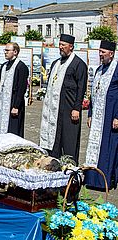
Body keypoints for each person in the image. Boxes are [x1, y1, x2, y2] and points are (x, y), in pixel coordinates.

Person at [39, 34, 87, 164]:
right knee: (54, 139)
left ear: (71, 47)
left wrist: (77, 108)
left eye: (63, 45)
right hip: (54, 109)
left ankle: (70, 169)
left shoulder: (79, 64)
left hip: (69, 109)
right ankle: (53, 164)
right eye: (59, 45)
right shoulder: (56, 63)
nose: (60, 47)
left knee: (68, 140)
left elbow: (81, 88)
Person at [84, 40, 118, 190]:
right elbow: (93, 94)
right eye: (99, 51)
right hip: (97, 116)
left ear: (111, 54)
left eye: (103, 52)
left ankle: (105, 180)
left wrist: (117, 116)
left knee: (107, 148)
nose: (100, 55)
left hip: (111, 116)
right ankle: (92, 179)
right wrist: (90, 114)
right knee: (94, 147)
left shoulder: (116, 70)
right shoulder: (98, 70)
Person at [0, 42, 29, 138]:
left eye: (7, 50)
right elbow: (0, 86)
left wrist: (16, 106)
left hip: (14, 102)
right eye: (5, 50)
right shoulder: (4, 66)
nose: (5, 52)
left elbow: (22, 88)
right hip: (3, 102)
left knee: (13, 129)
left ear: (15, 52)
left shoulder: (21, 67)